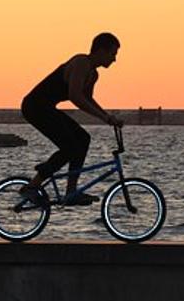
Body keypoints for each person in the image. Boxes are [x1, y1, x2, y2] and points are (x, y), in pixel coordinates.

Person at [19, 33, 124, 206]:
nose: (114, 59)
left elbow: (87, 99)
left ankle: (71, 191)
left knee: (83, 139)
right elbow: (75, 96)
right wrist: (105, 117)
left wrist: (108, 117)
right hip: (34, 107)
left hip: (47, 108)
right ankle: (33, 186)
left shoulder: (93, 74)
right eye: (113, 53)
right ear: (101, 51)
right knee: (70, 147)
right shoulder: (81, 62)